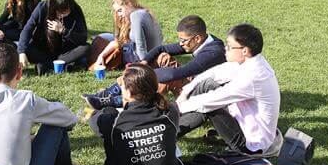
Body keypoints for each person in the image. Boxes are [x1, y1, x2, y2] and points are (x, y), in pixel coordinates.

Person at [88, 63, 187, 165]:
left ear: (128, 93)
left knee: (111, 141)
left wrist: (109, 107)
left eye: (122, 85)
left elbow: (93, 120)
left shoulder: (111, 120)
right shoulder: (170, 110)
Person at [176, 24, 281, 155]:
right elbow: (215, 72)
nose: (225, 49)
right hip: (243, 122)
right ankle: (168, 128)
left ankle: (165, 133)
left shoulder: (253, 77)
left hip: (252, 146)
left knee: (209, 107)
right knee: (208, 85)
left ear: (244, 51)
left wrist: (176, 107)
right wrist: (187, 90)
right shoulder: (252, 61)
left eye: (230, 46)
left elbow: (212, 100)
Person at [83, 15, 224, 109]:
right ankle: (108, 94)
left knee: (169, 78)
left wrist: (141, 75)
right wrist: (142, 63)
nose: (180, 44)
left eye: (183, 40)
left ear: (197, 38)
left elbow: (180, 73)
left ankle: (116, 101)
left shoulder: (212, 53)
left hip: (209, 95)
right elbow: (161, 48)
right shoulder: (205, 41)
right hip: (196, 82)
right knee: (162, 57)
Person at [18, 0, 90, 75]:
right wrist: (21, 52)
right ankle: (61, 65)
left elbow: (83, 37)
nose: (64, 14)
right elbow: (28, 29)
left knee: (85, 47)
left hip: (65, 52)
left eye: (67, 11)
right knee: (26, 48)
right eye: (61, 11)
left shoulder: (76, 10)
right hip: (44, 49)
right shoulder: (42, 7)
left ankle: (49, 66)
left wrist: (63, 30)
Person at [91, 0, 164, 70]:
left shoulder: (135, 16)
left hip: (136, 56)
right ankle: (99, 56)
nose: (119, 14)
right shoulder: (144, 12)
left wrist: (143, 66)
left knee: (101, 38)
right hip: (154, 53)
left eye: (120, 10)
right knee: (107, 38)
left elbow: (141, 47)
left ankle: (97, 58)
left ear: (128, 3)